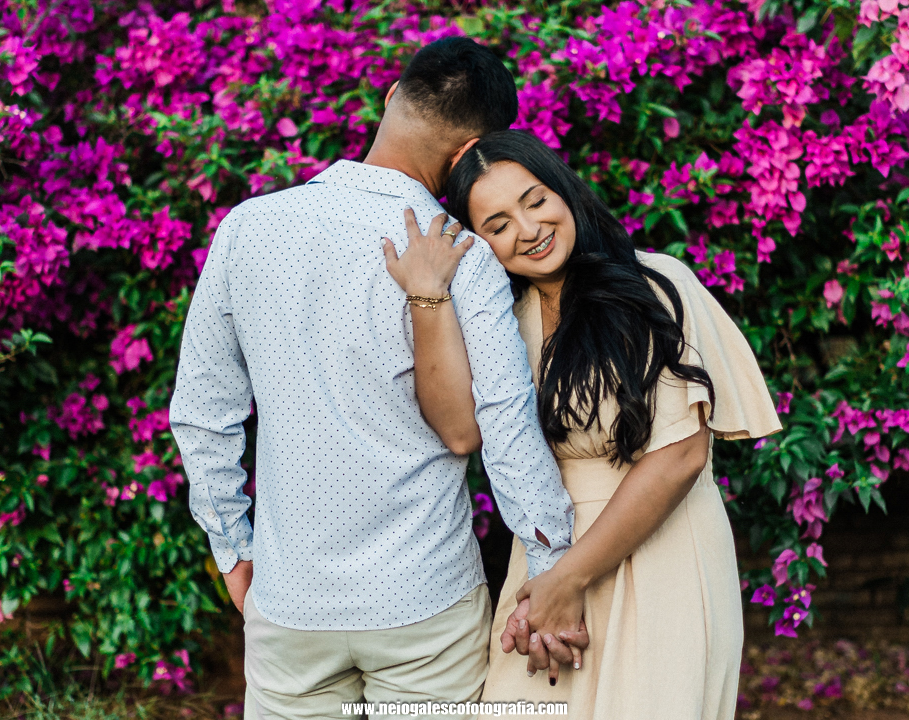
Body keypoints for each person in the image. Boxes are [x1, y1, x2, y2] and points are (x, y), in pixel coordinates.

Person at [169, 42, 576, 720]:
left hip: (292, 601)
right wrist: (551, 570)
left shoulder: (247, 229)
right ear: (471, 151)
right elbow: (505, 426)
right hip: (426, 598)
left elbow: (201, 414)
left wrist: (232, 550)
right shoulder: (462, 251)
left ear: (391, 97)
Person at [386, 130, 782, 720]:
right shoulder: (500, 320)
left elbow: (681, 456)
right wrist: (428, 295)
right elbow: (460, 430)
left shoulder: (653, 284)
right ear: (479, 243)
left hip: (662, 551)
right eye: (498, 225)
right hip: (547, 555)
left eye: (536, 200)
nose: (528, 229)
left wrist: (567, 581)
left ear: (565, 191)